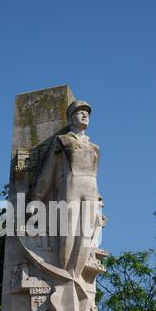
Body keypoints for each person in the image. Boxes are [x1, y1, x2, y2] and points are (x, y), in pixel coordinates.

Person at [31, 99, 103, 278]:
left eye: (87, 112)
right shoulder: (62, 141)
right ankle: (64, 271)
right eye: (80, 112)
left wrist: (99, 199)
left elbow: (95, 173)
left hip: (90, 188)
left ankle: (74, 275)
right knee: (68, 230)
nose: (85, 115)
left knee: (86, 233)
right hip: (70, 185)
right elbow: (48, 171)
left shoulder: (95, 148)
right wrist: (36, 199)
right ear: (71, 119)